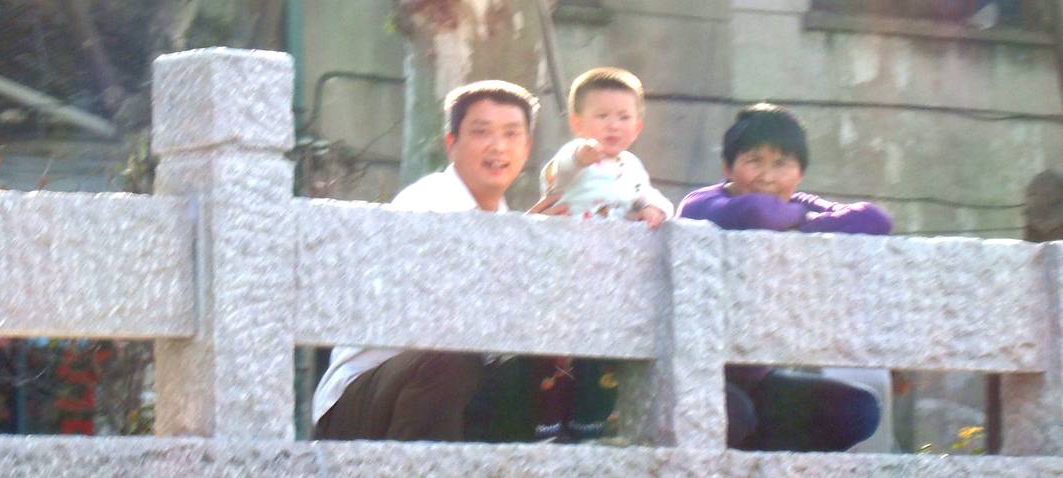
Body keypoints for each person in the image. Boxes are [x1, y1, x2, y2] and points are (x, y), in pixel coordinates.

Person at [311, 80, 538, 441]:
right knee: (446, 359)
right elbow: (432, 312)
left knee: (536, 368)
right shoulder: (427, 201)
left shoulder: (511, 223)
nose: (498, 146)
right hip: (362, 400)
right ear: (452, 144)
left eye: (512, 134)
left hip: (448, 392)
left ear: (527, 148)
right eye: (482, 132)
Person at [679, 103, 891, 451]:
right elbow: (756, 212)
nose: (767, 176)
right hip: (695, 373)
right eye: (754, 161)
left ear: (799, 172)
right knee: (735, 413)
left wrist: (798, 220)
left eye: (781, 164)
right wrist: (806, 221)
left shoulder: (796, 203)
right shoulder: (702, 204)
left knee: (858, 409)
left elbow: (874, 220)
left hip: (758, 378)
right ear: (728, 167)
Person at [536, 67, 672, 226]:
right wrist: (579, 159)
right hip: (570, 239)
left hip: (614, 246)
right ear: (577, 124)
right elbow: (560, 171)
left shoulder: (632, 166)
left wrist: (653, 208)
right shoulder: (574, 152)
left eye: (624, 117)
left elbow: (650, 196)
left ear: (637, 128)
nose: (614, 125)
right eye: (602, 116)